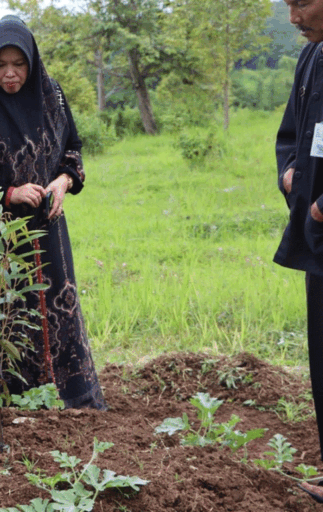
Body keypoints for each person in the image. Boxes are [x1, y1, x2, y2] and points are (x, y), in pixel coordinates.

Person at [0, 15, 106, 410]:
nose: (10, 74)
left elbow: (72, 149)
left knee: (55, 307)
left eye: (18, 64)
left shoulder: (53, 96)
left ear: (32, 62)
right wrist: (9, 192)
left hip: (47, 230)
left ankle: (68, 396)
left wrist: (63, 182)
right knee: (2, 312)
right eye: (0, 65)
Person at [275, 0, 323, 503]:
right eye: (287, 4)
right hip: (317, 240)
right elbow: (290, 135)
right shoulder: (310, 57)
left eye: (302, 2)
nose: (293, 17)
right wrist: (290, 174)